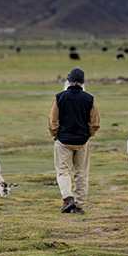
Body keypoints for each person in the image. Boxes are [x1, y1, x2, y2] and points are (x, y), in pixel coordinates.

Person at [48, 67, 100, 214]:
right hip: (82, 141)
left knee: (63, 171)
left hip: (63, 141)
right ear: (82, 83)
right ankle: (78, 205)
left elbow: (53, 121)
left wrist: (56, 135)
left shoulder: (59, 97)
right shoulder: (89, 99)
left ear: (69, 81)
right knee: (82, 172)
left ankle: (68, 198)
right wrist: (88, 135)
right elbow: (95, 123)